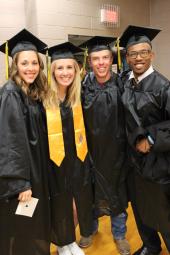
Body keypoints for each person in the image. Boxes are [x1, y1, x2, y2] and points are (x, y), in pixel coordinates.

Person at [0, 29, 51, 255]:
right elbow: (10, 140)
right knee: (22, 227)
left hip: (33, 171)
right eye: (25, 63)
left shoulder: (29, 91)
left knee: (30, 224)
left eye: (34, 63)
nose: (30, 68)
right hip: (22, 178)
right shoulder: (11, 93)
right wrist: (21, 183)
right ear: (15, 65)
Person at [120, 25, 170, 255]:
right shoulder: (125, 83)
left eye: (143, 52)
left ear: (152, 54)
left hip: (158, 164)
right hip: (133, 163)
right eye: (133, 54)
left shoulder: (163, 87)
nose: (138, 58)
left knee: (163, 211)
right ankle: (151, 246)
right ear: (127, 57)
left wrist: (150, 137)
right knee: (139, 210)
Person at [80, 36, 130, 255]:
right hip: (90, 152)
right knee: (89, 193)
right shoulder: (81, 86)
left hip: (118, 153)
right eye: (96, 58)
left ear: (112, 59)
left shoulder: (123, 84)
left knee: (117, 194)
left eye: (105, 58)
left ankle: (119, 235)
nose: (100, 63)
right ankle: (89, 230)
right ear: (89, 62)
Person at [45, 42, 93, 255]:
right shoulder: (42, 98)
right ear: (52, 70)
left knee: (77, 200)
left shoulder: (78, 96)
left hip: (76, 158)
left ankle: (71, 239)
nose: (65, 73)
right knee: (59, 202)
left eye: (69, 67)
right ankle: (63, 243)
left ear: (76, 69)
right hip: (53, 160)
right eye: (60, 68)